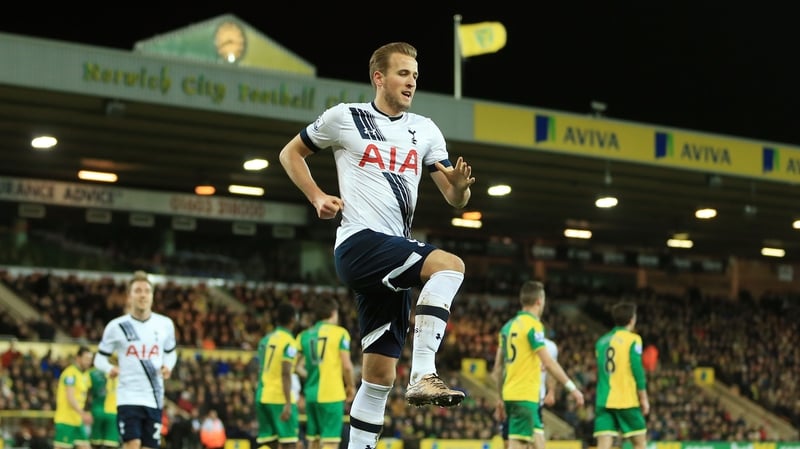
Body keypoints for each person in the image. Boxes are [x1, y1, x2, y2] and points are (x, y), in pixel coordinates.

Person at [279, 40, 475, 449]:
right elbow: (290, 153)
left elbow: (454, 198)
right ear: (379, 78)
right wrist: (317, 196)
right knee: (450, 265)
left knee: (379, 378)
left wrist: (459, 189)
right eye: (403, 73)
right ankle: (423, 373)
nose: (411, 82)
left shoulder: (425, 129)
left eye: (415, 75)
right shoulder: (345, 117)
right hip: (359, 244)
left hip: (392, 258)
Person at [492, 281, 584, 449]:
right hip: (525, 396)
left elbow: (498, 369)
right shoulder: (533, 325)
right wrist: (572, 388)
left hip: (510, 395)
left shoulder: (507, 327)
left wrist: (500, 398)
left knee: (532, 442)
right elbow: (549, 363)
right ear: (539, 301)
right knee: (522, 444)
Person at [94, 270, 178, 449]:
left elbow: (171, 352)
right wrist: (109, 369)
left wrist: (168, 366)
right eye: (138, 291)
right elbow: (99, 358)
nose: (143, 295)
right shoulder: (117, 327)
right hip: (128, 397)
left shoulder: (165, 324)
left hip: (154, 397)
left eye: (147, 291)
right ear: (129, 296)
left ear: (152, 296)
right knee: (132, 444)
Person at [295, 297, 356, 449]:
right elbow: (347, 366)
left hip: (311, 395)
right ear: (333, 313)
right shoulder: (340, 333)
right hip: (331, 394)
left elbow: (295, 366)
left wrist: (311, 375)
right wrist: (351, 386)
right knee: (330, 442)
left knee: (314, 441)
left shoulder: (304, 335)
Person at [593, 302, 650, 449]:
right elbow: (637, 368)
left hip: (603, 400)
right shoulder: (633, 339)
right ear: (632, 319)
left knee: (603, 445)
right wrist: (643, 397)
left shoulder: (600, 342)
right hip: (626, 400)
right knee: (639, 443)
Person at [256, 302, 300, 449]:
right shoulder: (289, 342)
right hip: (279, 397)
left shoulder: (264, 340)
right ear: (293, 319)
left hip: (262, 395)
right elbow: (286, 373)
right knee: (289, 442)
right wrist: (287, 402)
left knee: (268, 443)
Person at [54, 345, 94, 449]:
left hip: (77, 420)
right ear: (78, 358)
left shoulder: (86, 375)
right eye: (86, 359)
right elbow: (70, 397)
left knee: (86, 446)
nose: (88, 362)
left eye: (90, 359)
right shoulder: (70, 374)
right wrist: (83, 413)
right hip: (66, 420)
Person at [89, 361, 120, 449]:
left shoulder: (92, 373)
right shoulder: (122, 374)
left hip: (98, 411)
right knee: (110, 444)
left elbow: (87, 393)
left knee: (96, 444)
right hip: (112, 413)